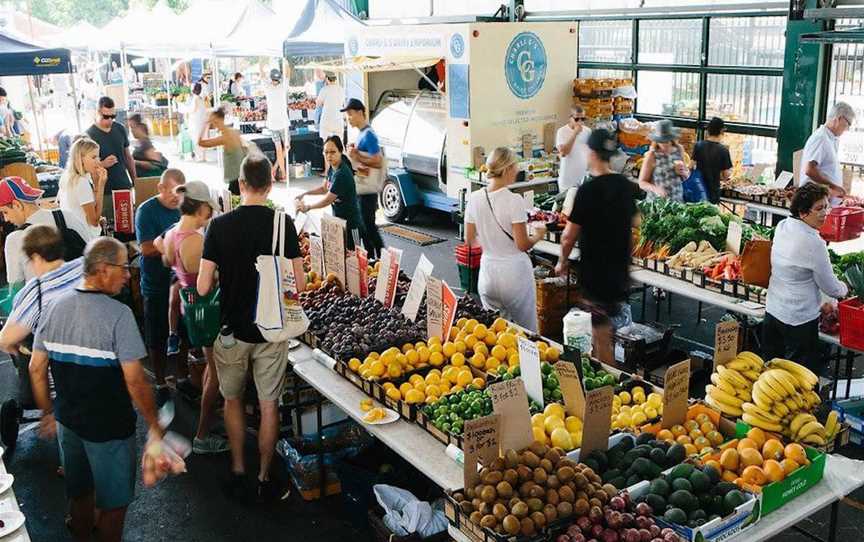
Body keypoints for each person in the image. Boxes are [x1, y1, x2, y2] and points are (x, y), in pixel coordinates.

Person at [29, 237, 162, 542]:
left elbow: (36, 368)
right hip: (109, 428)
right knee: (113, 508)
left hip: (68, 424)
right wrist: (154, 424)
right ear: (102, 269)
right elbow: (135, 381)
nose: (129, 274)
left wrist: (49, 412)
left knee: (79, 496)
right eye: (124, 268)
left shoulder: (52, 308)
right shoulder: (119, 315)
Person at [198, 153, 306, 501]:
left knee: (231, 400)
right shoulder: (282, 223)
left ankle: (238, 468)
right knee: (269, 404)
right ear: (270, 185)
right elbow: (299, 285)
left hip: (231, 331)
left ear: (240, 184)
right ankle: (263, 477)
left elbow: (202, 287)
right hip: (271, 331)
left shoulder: (218, 225)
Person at [556, 129, 645, 363]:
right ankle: (615, 377)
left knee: (601, 337)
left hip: (596, 275)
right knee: (614, 332)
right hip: (620, 274)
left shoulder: (587, 191)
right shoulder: (624, 185)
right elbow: (637, 223)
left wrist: (562, 261)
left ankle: (609, 388)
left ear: (592, 153)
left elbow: (568, 236)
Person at [156, 181, 228, 455]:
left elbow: (167, 262)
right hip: (206, 310)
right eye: (208, 207)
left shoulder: (173, 234)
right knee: (217, 373)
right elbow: (210, 281)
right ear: (200, 207)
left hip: (192, 310)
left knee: (212, 367)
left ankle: (208, 422)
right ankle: (202, 435)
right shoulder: (196, 240)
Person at [764, 183, 848, 374]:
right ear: (803, 213)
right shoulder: (813, 243)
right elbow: (830, 288)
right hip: (798, 318)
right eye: (819, 209)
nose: (825, 213)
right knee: (799, 376)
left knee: (771, 371)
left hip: (773, 310)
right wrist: (845, 288)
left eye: (826, 206)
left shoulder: (782, 226)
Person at [465, 148, 546, 331]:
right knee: (528, 334)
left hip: (487, 275)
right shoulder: (514, 200)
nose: (517, 171)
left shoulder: (474, 198)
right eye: (516, 166)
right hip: (514, 276)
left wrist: (490, 239)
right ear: (508, 169)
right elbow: (522, 244)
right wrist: (538, 236)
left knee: (496, 335)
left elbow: (469, 239)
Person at [134, 169, 185, 399]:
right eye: (173, 191)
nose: (177, 197)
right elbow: (145, 248)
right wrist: (172, 243)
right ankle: (161, 381)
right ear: (160, 188)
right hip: (156, 284)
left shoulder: (185, 207)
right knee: (157, 336)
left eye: (181, 191)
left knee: (185, 332)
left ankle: (183, 377)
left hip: (182, 283)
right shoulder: (146, 211)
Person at [0, 225, 83, 353]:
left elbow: (6, 339)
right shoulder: (84, 266)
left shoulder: (36, 291)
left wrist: (20, 349)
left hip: (64, 362)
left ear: (36, 257)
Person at [0, 176, 92, 287]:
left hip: (44, 302)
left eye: (5, 212)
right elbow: (91, 251)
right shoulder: (66, 216)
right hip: (83, 292)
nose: (6, 219)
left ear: (17, 205)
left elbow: (16, 289)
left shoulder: (14, 239)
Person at [295, 136, 364, 248]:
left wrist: (308, 207)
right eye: (326, 152)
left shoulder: (342, 174)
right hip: (338, 221)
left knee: (353, 257)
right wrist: (305, 193)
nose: (329, 156)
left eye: (332, 152)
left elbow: (328, 199)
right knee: (340, 255)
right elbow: (324, 188)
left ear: (341, 151)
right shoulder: (333, 168)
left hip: (352, 224)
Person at [343, 98, 386, 260]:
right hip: (362, 188)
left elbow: (378, 161)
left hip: (367, 190)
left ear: (360, 112)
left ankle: (381, 258)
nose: (349, 117)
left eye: (350, 114)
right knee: (364, 225)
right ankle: (372, 258)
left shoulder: (369, 135)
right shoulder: (362, 134)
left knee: (368, 225)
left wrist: (356, 156)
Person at [85, 96, 137, 222]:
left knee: (126, 226)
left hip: (123, 185)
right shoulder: (89, 135)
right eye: (106, 116)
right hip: (105, 190)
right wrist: (102, 164)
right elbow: (85, 166)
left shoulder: (119, 128)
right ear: (97, 113)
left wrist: (135, 180)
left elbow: (128, 157)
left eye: (113, 116)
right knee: (109, 226)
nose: (110, 120)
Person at [799, 101, 855, 204]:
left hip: (825, 200)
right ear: (839, 118)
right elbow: (809, 169)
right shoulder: (821, 138)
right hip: (813, 201)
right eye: (848, 124)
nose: (847, 129)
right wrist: (832, 185)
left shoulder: (831, 139)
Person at [57, 137, 107, 238]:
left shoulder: (67, 176)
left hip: (74, 235)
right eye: (93, 157)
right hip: (86, 237)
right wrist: (101, 186)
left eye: (98, 157)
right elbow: (94, 221)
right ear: (80, 158)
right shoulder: (81, 182)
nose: (98, 161)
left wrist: (97, 183)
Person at [198, 107, 247, 196]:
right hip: (242, 175)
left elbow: (200, 143)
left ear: (221, 119)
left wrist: (205, 124)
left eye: (214, 121)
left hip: (236, 178)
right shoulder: (233, 132)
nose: (213, 124)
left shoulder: (225, 137)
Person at [637, 119, 689, 201]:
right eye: (661, 141)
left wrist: (683, 173)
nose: (664, 144)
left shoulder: (679, 150)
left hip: (677, 201)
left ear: (671, 139)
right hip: (657, 203)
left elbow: (686, 174)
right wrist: (655, 189)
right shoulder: (652, 155)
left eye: (667, 141)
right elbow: (642, 182)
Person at [693, 117, 733, 204]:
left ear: (708, 130)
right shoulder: (723, 150)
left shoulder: (698, 145)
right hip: (713, 191)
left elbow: (691, 166)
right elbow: (725, 175)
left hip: (698, 187)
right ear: (722, 131)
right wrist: (729, 173)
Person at [556, 106, 591, 192]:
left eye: (583, 119)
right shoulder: (562, 131)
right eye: (576, 119)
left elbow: (589, 153)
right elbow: (563, 152)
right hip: (567, 179)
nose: (580, 122)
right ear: (570, 118)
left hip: (582, 178)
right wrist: (575, 133)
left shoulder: (588, 131)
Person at [264, 69, 289, 181]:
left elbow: (261, 74)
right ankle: (280, 173)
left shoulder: (267, 87)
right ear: (279, 78)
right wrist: (286, 62)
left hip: (272, 123)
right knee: (287, 147)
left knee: (279, 149)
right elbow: (288, 73)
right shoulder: (283, 86)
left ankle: (276, 171)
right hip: (283, 123)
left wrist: (261, 63)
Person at [128, 113, 168, 178]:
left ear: (140, 127)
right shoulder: (142, 143)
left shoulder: (146, 143)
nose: (132, 131)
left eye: (132, 127)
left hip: (148, 182)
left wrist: (133, 161)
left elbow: (156, 165)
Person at [316, 74, 345, 142]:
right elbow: (342, 103)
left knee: (326, 143)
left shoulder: (324, 89)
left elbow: (318, 104)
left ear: (327, 79)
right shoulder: (341, 89)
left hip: (327, 120)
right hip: (338, 119)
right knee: (339, 143)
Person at [187, 83, 209, 162]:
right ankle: (203, 156)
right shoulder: (200, 98)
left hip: (196, 120)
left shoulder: (195, 98)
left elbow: (193, 109)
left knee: (196, 137)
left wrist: (186, 109)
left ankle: (200, 156)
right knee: (202, 137)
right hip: (202, 119)